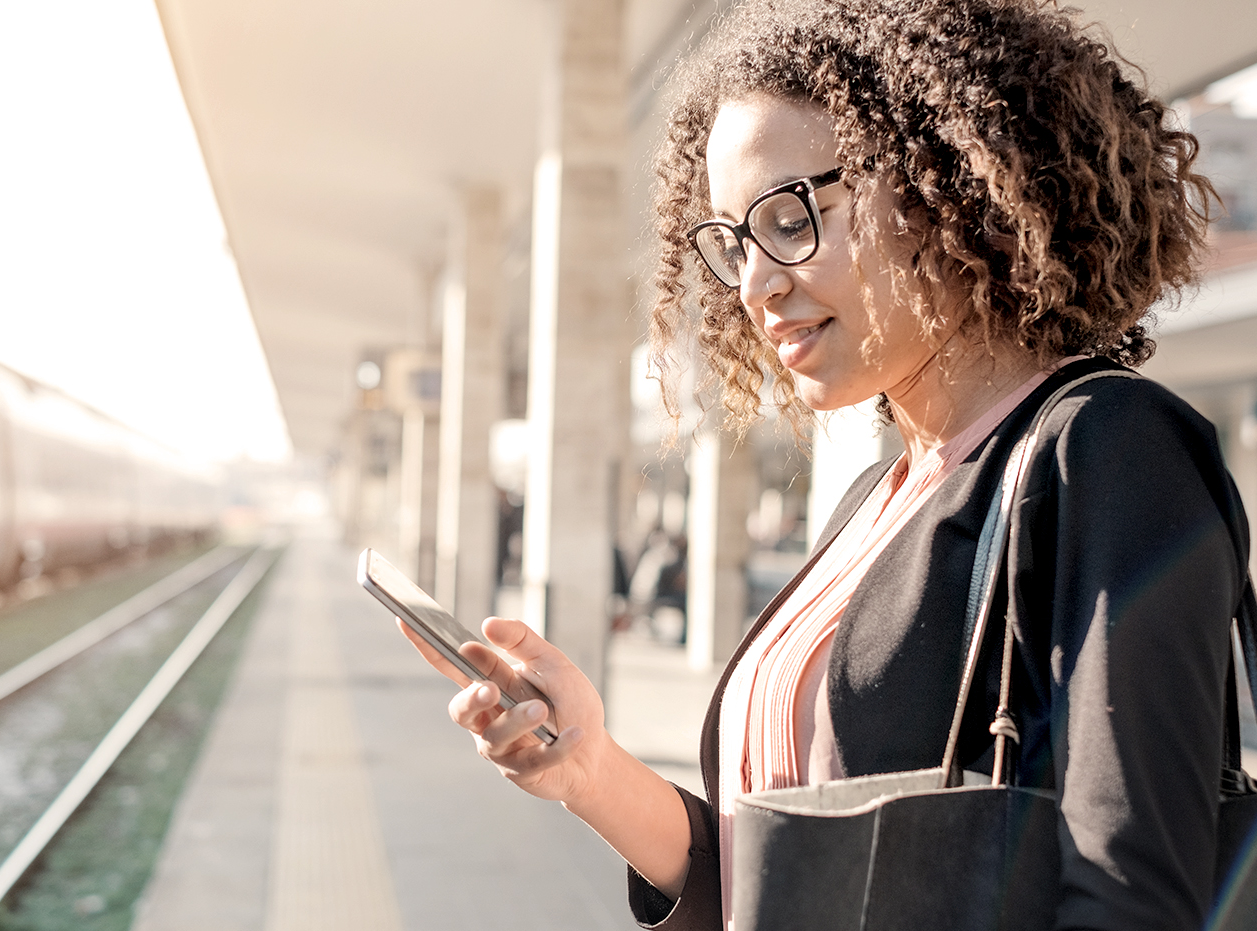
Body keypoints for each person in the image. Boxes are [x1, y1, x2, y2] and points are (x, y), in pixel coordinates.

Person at [398, 1, 1253, 928]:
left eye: (792, 215)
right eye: (733, 241)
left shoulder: (1107, 450)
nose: (758, 283)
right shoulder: (874, 500)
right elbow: (788, 872)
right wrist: (589, 768)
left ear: (944, 186)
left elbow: (1132, 899)